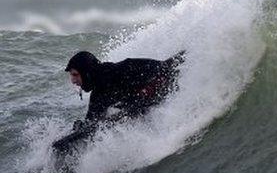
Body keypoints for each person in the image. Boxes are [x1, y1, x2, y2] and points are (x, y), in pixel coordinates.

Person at [52, 50, 185, 153]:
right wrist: (73, 135)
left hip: (165, 81)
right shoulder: (99, 91)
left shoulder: (116, 72)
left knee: (124, 114)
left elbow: (163, 67)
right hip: (153, 92)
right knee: (114, 118)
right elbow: (91, 122)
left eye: (75, 75)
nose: (73, 81)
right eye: (71, 75)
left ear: (87, 73)